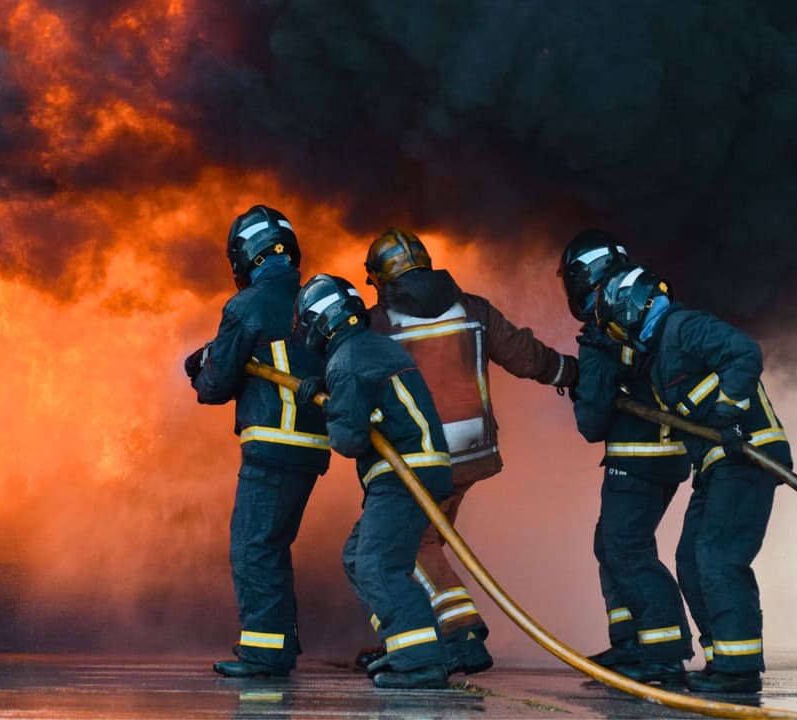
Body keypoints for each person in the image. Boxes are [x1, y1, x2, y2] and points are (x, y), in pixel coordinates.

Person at [358, 227, 578, 675]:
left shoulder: (378, 324)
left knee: (406, 548)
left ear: (380, 278)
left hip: (417, 459)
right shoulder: (472, 308)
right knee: (429, 541)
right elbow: (524, 355)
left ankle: (462, 635)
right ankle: (424, 639)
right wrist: (571, 373)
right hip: (470, 453)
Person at [595, 263, 792, 693]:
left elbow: (745, 352)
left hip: (749, 454)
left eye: (615, 324)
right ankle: (723, 658)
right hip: (718, 464)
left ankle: (738, 672)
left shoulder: (685, 328)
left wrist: (729, 412)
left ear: (630, 310)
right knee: (691, 558)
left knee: (718, 556)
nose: (617, 334)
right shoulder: (661, 353)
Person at [185, 205, 331, 678]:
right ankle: (280, 642)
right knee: (272, 545)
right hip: (311, 448)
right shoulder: (312, 297)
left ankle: (266, 653)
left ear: (243, 256)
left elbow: (215, 386)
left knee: (252, 548)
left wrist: (202, 370)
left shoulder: (246, 306)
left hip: (271, 445)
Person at [291, 273, 453, 689]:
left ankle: (420, 660)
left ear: (319, 322)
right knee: (357, 558)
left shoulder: (346, 360)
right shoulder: (366, 348)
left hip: (404, 475)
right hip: (414, 470)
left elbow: (348, 440)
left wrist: (327, 404)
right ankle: (403, 648)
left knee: (379, 564)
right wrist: (327, 389)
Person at [559, 230, 695, 684]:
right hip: (669, 455)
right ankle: (631, 641)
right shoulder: (641, 305)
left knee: (626, 549)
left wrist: (586, 388)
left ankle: (661, 649)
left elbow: (591, 424)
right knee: (612, 544)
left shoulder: (602, 328)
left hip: (636, 460)